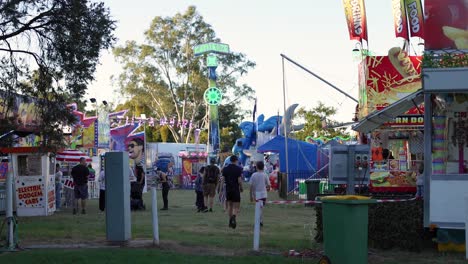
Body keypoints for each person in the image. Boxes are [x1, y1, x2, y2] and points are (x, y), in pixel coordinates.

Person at [222, 155, 243, 229]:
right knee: (236, 206)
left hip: (228, 189)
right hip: (235, 189)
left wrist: (221, 188)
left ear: (230, 160)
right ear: (236, 160)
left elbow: (223, 179)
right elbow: (239, 180)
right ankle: (234, 217)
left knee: (230, 206)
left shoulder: (225, 169)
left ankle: (230, 221)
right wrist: (241, 187)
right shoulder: (238, 169)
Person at [249, 161, 271, 226]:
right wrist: (268, 188)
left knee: (258, 207)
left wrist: (250, 196)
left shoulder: (253, 175)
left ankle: (259, 220)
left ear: (256, 167)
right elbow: (268, 185)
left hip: (256, 194)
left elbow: (251, 186)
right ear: (263, 167)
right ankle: (260, 220)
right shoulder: (265, 174)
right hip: (264, 194)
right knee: (261, 207)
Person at [128, 138, 145, 208]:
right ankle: (136, 205)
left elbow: (143, 174)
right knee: (135, 194)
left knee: (139, 193)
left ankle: (140, 205)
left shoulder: (140, 165)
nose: (129, 148)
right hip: (136, 182)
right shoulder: (134, 165)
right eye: (128, 146)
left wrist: (140, 182)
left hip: (139, 182)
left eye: (132, 145)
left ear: (140, 147)